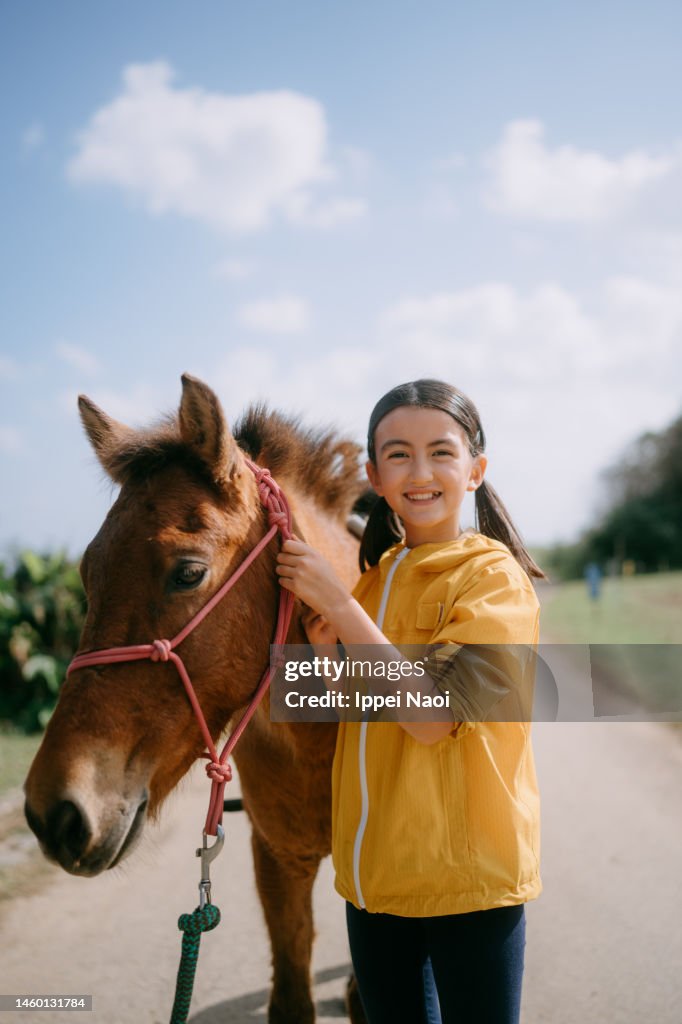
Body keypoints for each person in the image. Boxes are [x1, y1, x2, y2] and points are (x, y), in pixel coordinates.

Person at [275, 379, 545, 1024]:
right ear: (374, 473)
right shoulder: (372, 582)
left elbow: (430, 719)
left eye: (441, 452)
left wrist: (341, 608)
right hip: (373, 883)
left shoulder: (492, 579)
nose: (419, 472)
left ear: (475, 469)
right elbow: (355, 713)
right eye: (397, 454)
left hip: (468, 883)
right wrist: (327, 660)